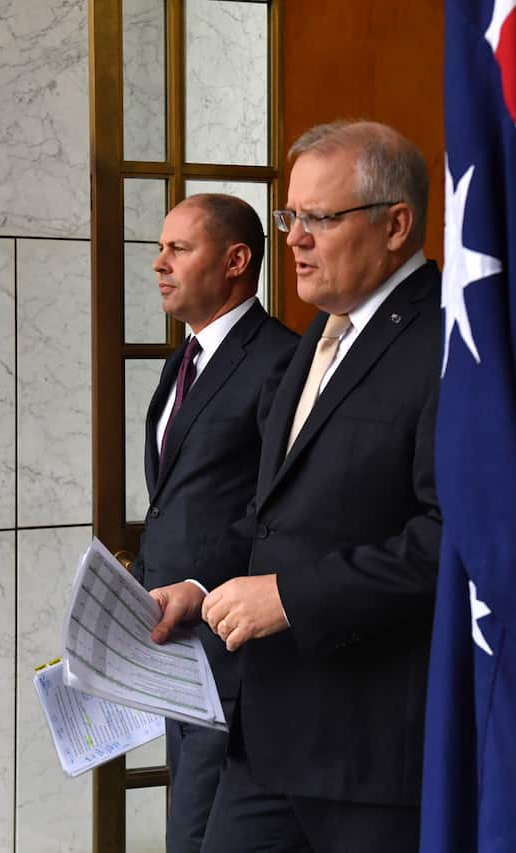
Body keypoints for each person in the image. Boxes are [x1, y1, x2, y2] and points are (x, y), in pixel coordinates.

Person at [148, 121, 442, 853]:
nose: (296, 238)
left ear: (396, 224)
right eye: (290, 218)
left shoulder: (445, 341)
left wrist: (289, 597)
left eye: (319, 218)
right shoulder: (319, 333)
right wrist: (202, 584)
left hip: (370, 753)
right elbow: (272, 516)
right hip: (268, 731)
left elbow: (454, 539)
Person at [135, 193, 298, 853]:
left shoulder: (280, 361)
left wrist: (204, 587)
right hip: (174, 643)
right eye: (161, 246)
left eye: (179, 248)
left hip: (234, 655)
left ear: (236, 261)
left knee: (199, 839)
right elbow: (186, 497)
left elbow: (279, 514)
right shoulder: (185, 358)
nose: (159, 263)